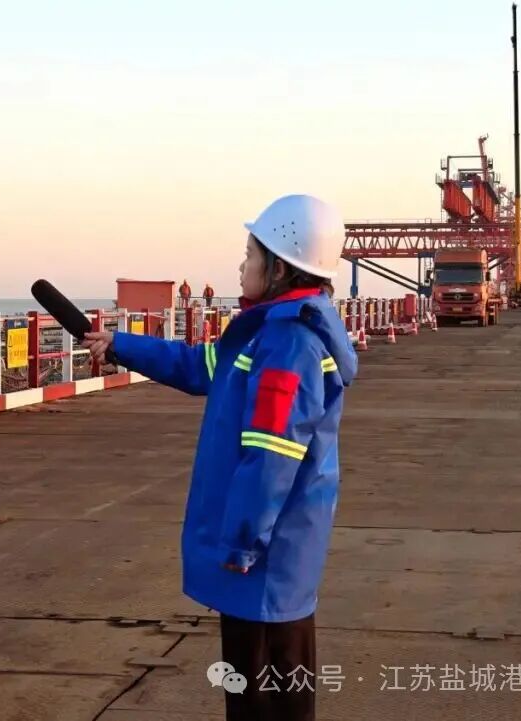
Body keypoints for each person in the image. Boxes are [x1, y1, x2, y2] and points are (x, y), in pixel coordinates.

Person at [83, 194, 357, 721]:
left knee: (265, 700)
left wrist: (242, 542)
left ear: (279, 268)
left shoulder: (290, 345)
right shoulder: (269, 332)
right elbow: (200, 366)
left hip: (265, 561)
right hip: (268, 556)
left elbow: (273, 455)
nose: (241, 265)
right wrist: (120, 344)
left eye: (250, 255)